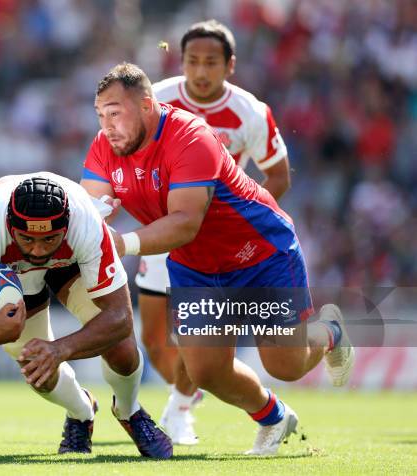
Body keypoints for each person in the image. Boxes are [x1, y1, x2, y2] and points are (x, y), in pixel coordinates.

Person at [81, 63, 354, 455]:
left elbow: (184, 224)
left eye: (115, 112)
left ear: (145, 105)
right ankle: (275, 419)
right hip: (197, 266)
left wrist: (119, 245)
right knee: (205, 371)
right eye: (101, 114)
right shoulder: (105, 145)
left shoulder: (190, 136)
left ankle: (331, 332)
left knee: (285, 366)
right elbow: (89, 208)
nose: (107, 125)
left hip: (261, 253)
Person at [0, 173, 172, 458]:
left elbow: (120, 318)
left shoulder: (86, 223)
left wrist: (61, 349)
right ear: (9, 226)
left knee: (122, 347)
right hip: (13, 273)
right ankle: (81, 412)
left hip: (71, 259)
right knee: (36, 368)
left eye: (49, 238)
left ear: (66, 226)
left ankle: (130, 411)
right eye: (27, 238)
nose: (38, 250)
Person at [136, 19, 291, 445]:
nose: (200, 72)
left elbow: (277, 175)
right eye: (192, 61)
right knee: (153, 338)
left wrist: (242, 221)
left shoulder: (250, 112)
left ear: (230, 66)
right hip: (164, 228)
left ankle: (180, 407)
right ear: (181, 61)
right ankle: (186, 393)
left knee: (195, 339)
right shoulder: (157, 101)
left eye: (210, 63)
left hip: (214, 243)